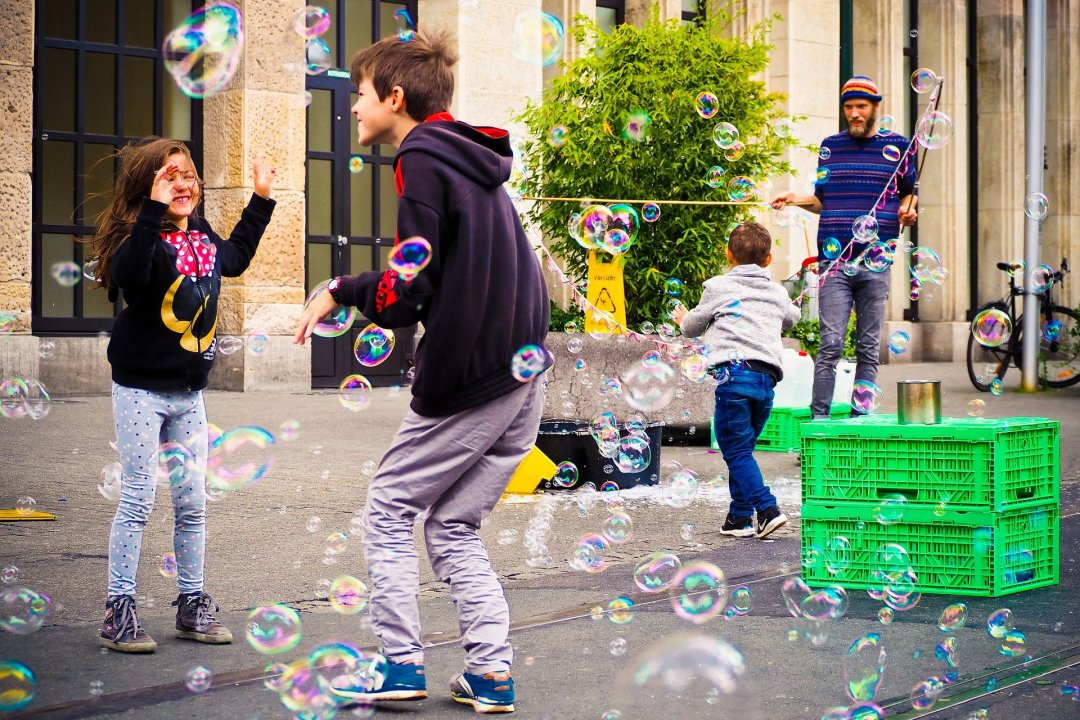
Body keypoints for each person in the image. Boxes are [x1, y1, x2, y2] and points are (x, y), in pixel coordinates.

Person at [293, 29, 549, 714]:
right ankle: (491, 674)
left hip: (473, 373)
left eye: (359, 95)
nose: (350, 108)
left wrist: (343, 288)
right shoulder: (472, 159)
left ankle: (399, 665)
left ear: (395, 97)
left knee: (388, 508)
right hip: (522, 372)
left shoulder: (423, 159)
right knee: (452, 526)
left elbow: (409, 291)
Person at [86, 136, 276, 652]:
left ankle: (191, 603)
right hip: (140, 391)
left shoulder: (202, 235)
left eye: (188, 174)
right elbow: (133, 276)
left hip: (189, 393)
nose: (183, 182)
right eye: (169, 175)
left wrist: (259, 200)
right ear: (148, 188)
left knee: (193, 501)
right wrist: (152, 210)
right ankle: (118, 609)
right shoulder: (140, 238)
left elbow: (233, 260)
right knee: (139, 498)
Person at [771, 75, 918, 418]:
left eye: (861, 107)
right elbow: (822, 201)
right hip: (834, 262)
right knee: (830, 344)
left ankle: (858, 424)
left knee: (868, 347)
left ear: (875, 108)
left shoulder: (899, 147)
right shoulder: (831, 147)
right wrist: (796, 199)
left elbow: (909, 193)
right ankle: (819, 424)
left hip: (876, 260)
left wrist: (908, 210)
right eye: (849, 107)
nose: (854, 113)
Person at [672, 222, 800, 539]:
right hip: (765, 380)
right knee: (742, 449)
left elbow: (691, 327)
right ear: (768, 260)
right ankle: (739, 518)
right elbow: (791, 319)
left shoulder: (718, 287)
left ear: (728, 255)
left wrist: (680, 317)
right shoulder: (777, 291)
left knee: (736, 451)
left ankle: (767, 509)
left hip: (734, 377)